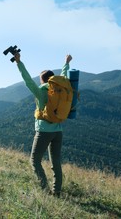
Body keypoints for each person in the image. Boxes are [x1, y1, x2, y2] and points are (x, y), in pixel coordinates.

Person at [13, 53, 72, 197]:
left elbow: (27, 80)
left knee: (34, 160)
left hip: (44, 131)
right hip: (58, 130)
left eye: (40, 80)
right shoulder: (61, 87)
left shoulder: (41, 92)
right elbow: (64, 75)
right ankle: (57, 191)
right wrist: (66, 62)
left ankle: (45, 190)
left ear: (43, 80)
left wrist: (19, 62)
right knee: (56, 162)